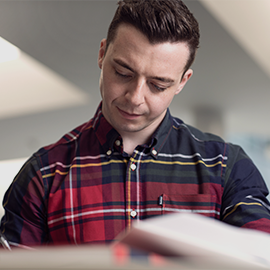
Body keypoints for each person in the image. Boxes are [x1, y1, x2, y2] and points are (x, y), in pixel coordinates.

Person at [1, 0, 270, 248]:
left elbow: (261, 255)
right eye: (122, 73)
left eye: (158, 85)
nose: (135, 98)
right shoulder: (44, 173)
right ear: (102, 53)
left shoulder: (226, 166)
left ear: (182, 82)